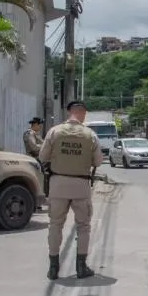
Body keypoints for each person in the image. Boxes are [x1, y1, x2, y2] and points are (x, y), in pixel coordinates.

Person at [39, 101, 103, 280]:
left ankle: (53, 268)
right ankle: (81, 267)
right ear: (83, 113)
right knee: (83, 226)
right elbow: (98, 162)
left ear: (69, 113)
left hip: (58, 184)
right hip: (80, 186)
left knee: (55, 225)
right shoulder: (90, 135)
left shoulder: (54, 132)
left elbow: (43, 156)